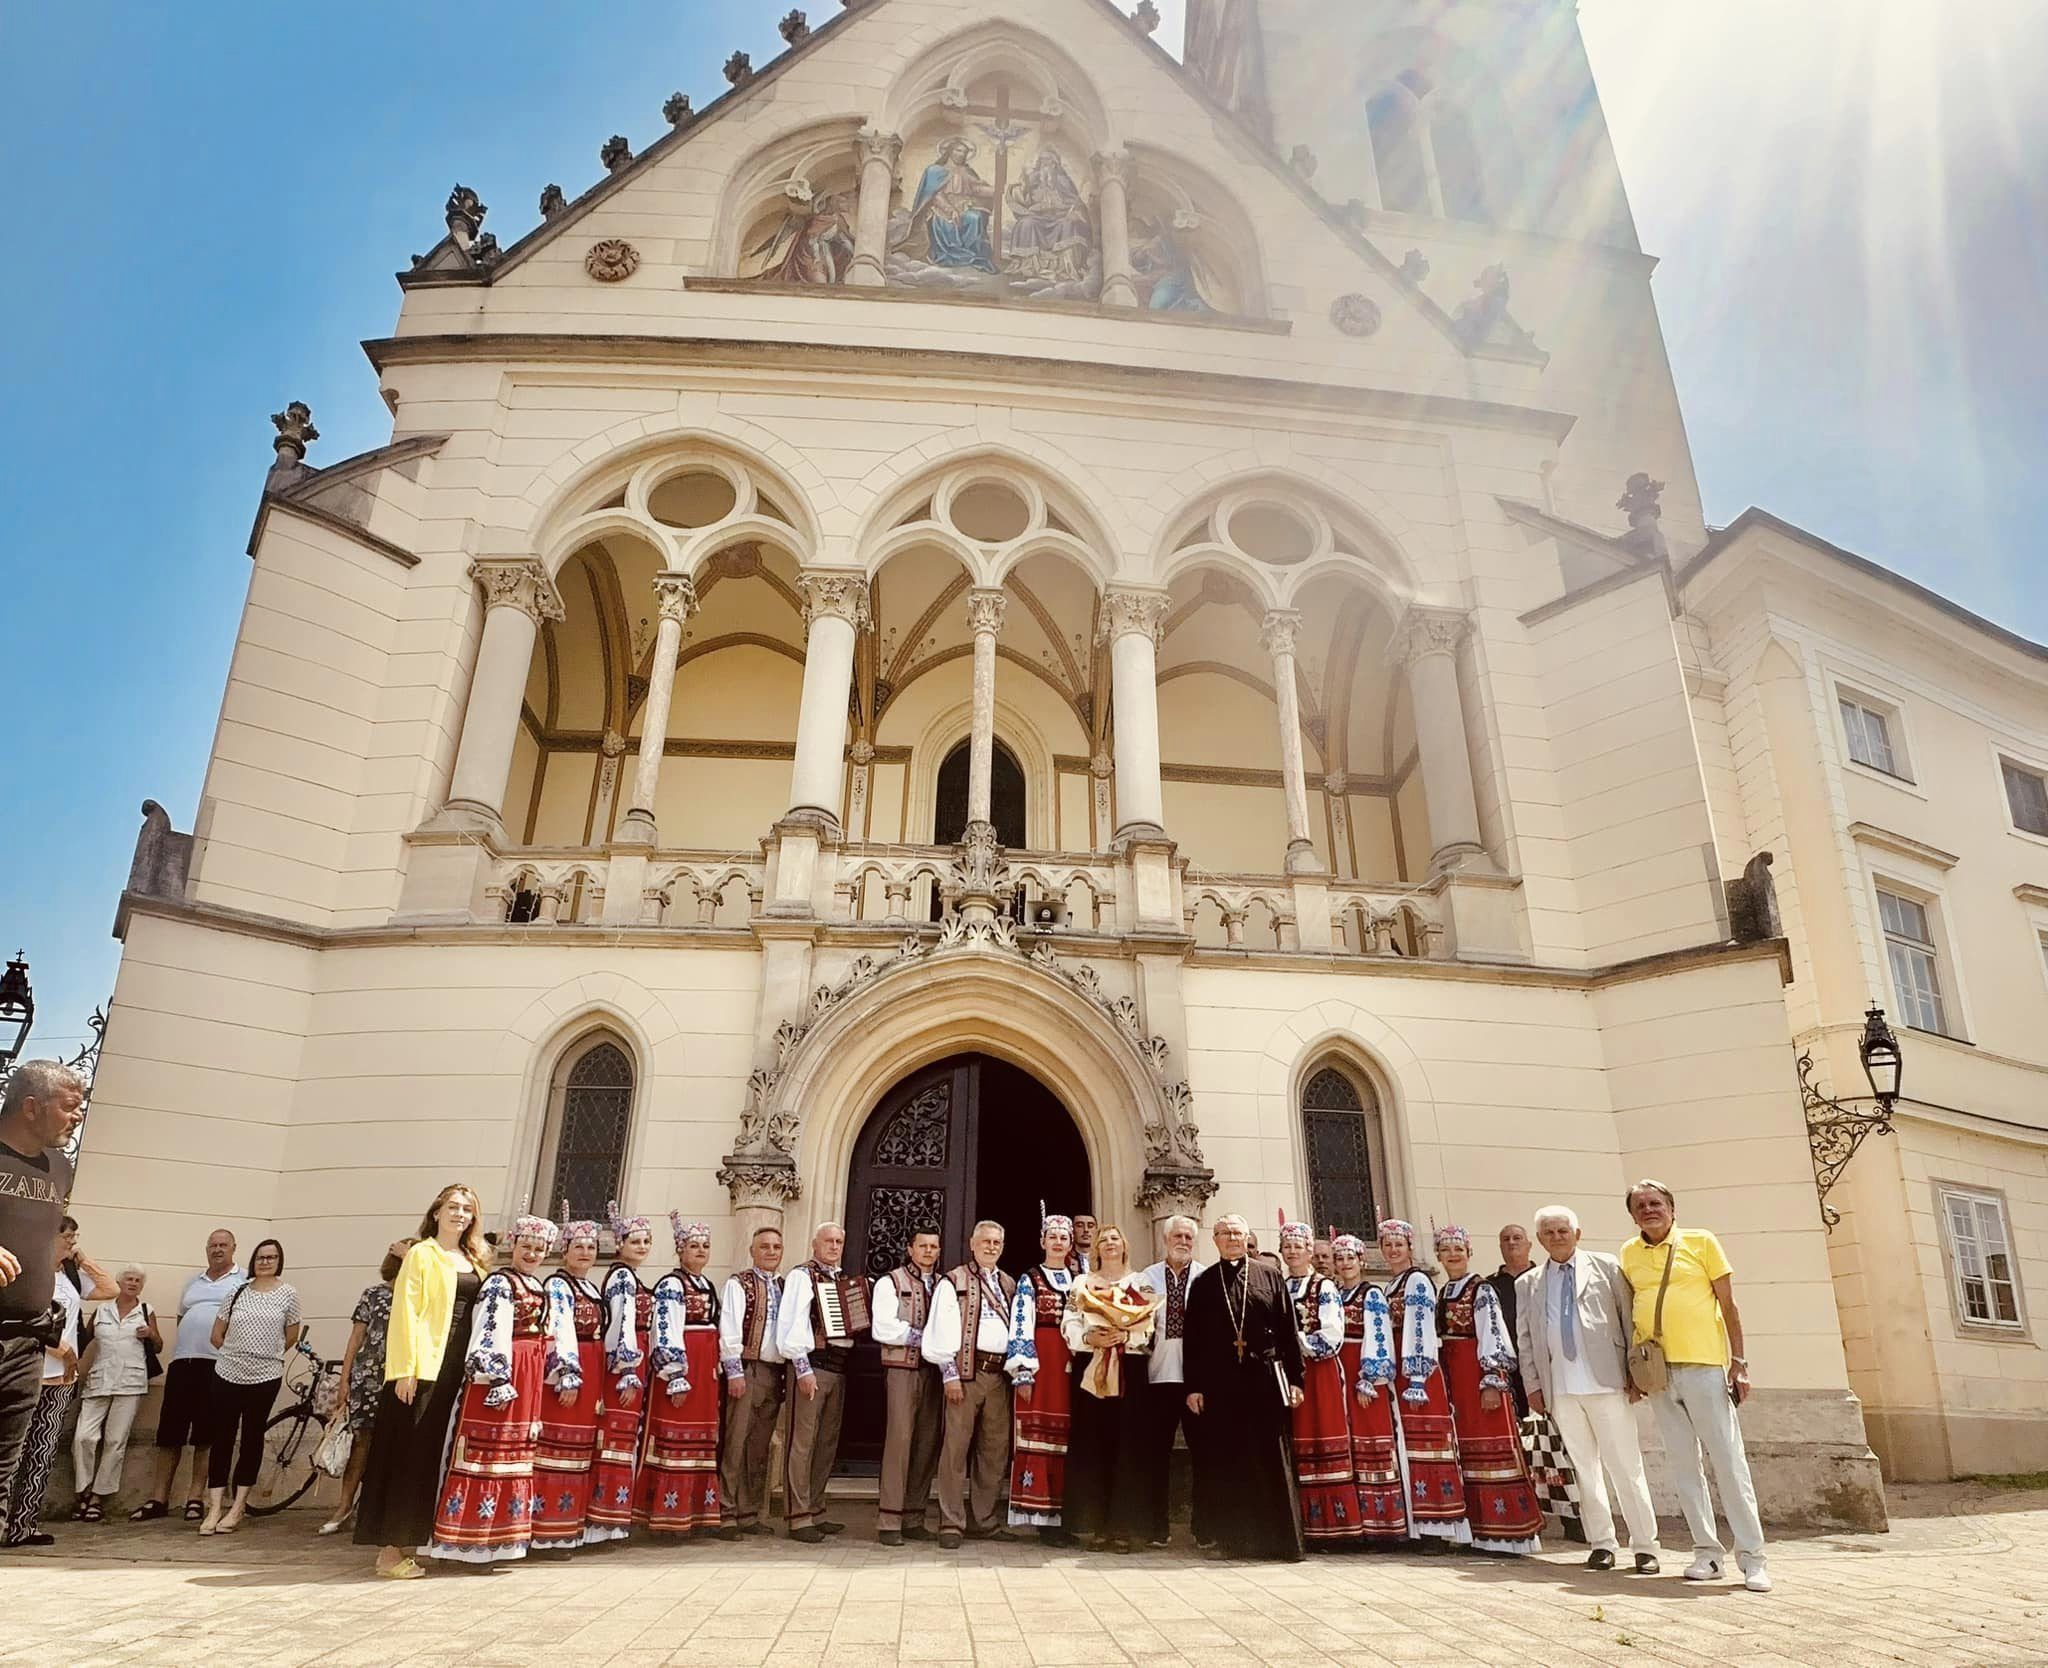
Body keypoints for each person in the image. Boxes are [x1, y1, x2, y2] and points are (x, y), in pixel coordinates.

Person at [1621, 1180, 1770, 1592]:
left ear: (1672, 1208)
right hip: (1658, 1373)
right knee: (1684, 1465)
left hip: (1704, 1365)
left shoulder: (1701, 1242)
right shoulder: (1629, 1253)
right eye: (1640, 1205)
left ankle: (1753, 1558)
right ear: (1633, 1215)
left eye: (1656, 1203)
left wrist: (1738, 1363)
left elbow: (1729, 1306)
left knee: (1727, 1461)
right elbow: (1632, 1311)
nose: (1649, 1210)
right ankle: (1706, 1553)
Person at [356, 1183, 490, 1580]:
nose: (459, 1213)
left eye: (467, 1208)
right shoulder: (422, 1253)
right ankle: (389, 1552)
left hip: (457, 1370)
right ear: (436, 1212)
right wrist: (404, 1369)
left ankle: (415, 1540)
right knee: (406, 1456)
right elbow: (406, 1312)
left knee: (432, 1455)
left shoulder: (476, 1261)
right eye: (452, 1206)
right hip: (423, 1367)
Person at [1517, 1204, 1660, 1574]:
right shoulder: (1529, 1283)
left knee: (1625, 1466)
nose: (1556, 1237)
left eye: (1563, 1231)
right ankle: (1601, 1543)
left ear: (1577, 1234)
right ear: (1539, 1240)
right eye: (1548, 1233)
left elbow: (1628, 1319)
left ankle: (1645, 1546)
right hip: (1561, 1389)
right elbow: (1527, 1340)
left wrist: (1634, 1375)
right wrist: (1533, 1386)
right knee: (1584, 1469)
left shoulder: (1606, 1267)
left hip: (1607, 1382)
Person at [427, 1209, 558, 1565]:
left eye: (539, 1249)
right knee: (486, 1454)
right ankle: (464, 1543)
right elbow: (490, 1330)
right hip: (504, 1375)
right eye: (526, 1247)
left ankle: (500, 1540)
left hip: (527, 1376)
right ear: (513, 1246)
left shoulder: (538, 1286)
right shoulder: (502, 1283)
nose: (532, 1254)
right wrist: (497, 1377)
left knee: (514, 1454)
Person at [1184, 1214, 1305, 1561]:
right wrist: (1193, 1387)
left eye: (1237, 1233)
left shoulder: (1269, 1275)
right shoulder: (1205, 1282)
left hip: (1266, 1378)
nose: (1232, 1239)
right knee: (1228, 1461)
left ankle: (1280, 1542)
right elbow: (1193, 1342)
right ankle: (1234, 1542)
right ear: (1216, 1240)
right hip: (1222, 1383)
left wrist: (1296, 1380)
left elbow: (1287, 1331)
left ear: (1247, 1237)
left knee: (1271, 1458)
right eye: (1224, 1234)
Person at [0, 1062, 85, 1553]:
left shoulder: (61, 1167)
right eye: (69, 1106)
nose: (77, 1116)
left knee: (2, 1470)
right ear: (31, 1107)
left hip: (28, 1342)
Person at [1433, 1226, 1543, 1555]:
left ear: (1469, 1252)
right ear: (1438, 1256)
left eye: (1459, 1249)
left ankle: (1509, 1533)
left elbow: (1493, 1334)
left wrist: (1492, 1379)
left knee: (1492, 1448)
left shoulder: (1481, 1290)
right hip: (1456, 1378)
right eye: (1446, 1250)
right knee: (1468, 1454)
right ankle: (1478, 1530)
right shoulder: (1444, 1292)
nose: (1453, 1255)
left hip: (1477, 1376)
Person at [6, 1208, 104, 1546]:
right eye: (68, 1237)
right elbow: (29, 1320)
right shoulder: (32, 1273)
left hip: (61, 1381)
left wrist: (84, 1259)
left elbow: (110, 1289)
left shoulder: (71, 1277)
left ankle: (24, 1526)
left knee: (42, 1452)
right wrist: (65, 1351)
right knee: (13, 1453)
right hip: (33, 1370)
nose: (73, 1242)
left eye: (75, 1238)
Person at [1060, 1224, 1160, 1552]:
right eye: (1103, 1240)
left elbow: (1149, 1327)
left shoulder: (1140, 1282)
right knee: (1094, 1444)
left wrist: (1126, 1336)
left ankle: (1124, 1527)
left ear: (1124, 1245)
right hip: (1092, 1368)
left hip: (1128, 1368)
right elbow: (1070, 1320)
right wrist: (1089, 1337)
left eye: (1115, 1238)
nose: (1109, 1244)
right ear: (1096, 1248)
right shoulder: (1082, 1283)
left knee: (1126, 1447)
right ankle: (1095, 1524)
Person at [922, 1220, 1016, 1549]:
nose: (991, 1247)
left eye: (997, 1242)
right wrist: (949, 1374)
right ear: (971, 1244)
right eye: (985, 1241)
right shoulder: (954, 1280)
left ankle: (984, 1519)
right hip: (965, 1374)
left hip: (999, 1377)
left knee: (994, 1450)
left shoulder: (1009, 1284)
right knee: (955, 1450)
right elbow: (940, 1328)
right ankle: (951, 1521)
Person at [137, 1226, 241, 1524]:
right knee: (169, 1433)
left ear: (233, 1248)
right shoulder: (193, 1282)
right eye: (213, 1245)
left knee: (205, 1435)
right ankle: (158, 1497)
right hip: (183, 1361)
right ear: (206, 1249)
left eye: (223, 1245)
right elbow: (184, 1317)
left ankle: (195, 1497)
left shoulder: (242, 1280)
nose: (217, 1249)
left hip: (217, 1363)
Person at [1378, 1219, 1471, 1546]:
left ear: (1409, 1248)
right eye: (1387, 1245)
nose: (1392, 1250)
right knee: (1409, 1445)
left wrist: (1416, 1375)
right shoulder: (1391, 1286)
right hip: (1402, 1370)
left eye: (1398, 1244)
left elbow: (1420, 1328)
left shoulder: (1416, 1280)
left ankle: (1438, 1526)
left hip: (1419, 1370)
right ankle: (1417, 1523)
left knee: (1427, 1444)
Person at [201, 1237, 303, 1535]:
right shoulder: (237, 1291)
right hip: (228, 1372)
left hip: (265, 1376)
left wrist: (266, 1355)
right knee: (222, 1436)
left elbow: (291, 1335)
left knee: (252, 1438)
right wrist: (236, 1353)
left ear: (279, 1261)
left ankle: (238, 1506)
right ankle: (215, 1505)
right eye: (261, 1257)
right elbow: (217, 1333)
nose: (265, 1262)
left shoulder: (288, 1294)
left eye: (271, 1257)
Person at [1278, 1220, 1366, 1546]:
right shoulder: (1280, 1285)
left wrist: (1297, 1342)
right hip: (1290, 1372)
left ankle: (1338, 1526)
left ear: (1309, 1251)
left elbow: (1332, 1334)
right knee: (1298, 1439)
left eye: (1298, 1246)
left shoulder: (1324, 1287)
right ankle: (1308, 1525)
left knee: (1323, 1436)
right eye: (1287, 1247)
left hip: (1319, 1371)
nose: (1292, 1252)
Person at [778, 1221, 863, 1542]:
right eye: (828, 1241)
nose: (834, 1246)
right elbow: (792, 1322)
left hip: (838, 1368)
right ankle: (798, 1516)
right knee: (802, 1442)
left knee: (826, 1443)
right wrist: (802, 1368)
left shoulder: (841, 1279)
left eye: (839, 1241)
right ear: (815, 1244)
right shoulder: (803, 1276)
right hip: (812, 1367)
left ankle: (815, 1507)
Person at [319, 1240, 410, 1535]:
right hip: (368, 1377)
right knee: (361, 1443)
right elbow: (356, 1338)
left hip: (402, 1377)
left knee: (393, 1446)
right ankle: (344, 1506)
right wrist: (344, 1380)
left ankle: (374, 1508)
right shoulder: (373, 1295)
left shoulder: (417, 1296)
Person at [640, 1216, 723, 1537]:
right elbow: (664, 1330)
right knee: (676, 1438)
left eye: (705, 1246)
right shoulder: (672, 1285)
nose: (701, 1251)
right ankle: (666, 1518)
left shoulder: (706, 1285)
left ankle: (693, 1513)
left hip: (705, 1373)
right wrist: (674, 1373)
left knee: (701, 1439)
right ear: (680, 1250)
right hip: (685, 1369)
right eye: (693, 1246)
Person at [532, 1208, 606, 1554]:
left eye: (591, 1247)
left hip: (590, 1367)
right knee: (557, 1448)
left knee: (579, 1451)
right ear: (565, 1250)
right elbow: (560, 1330)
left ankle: (568, 1526)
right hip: (571, 1369)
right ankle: (547, 1530)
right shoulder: (558, 1285)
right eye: (579, 1246)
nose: (586, 1253)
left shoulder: (589, 1286)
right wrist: (566, 1374)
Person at [1007, 1210, 1079, 1540]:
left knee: (1069, 1438)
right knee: (1039, 1435)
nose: (1058, 1242)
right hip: (1042, 1364)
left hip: (1073, 1366)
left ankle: (1068, 1514)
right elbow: (1021, 1325)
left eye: (1064, 1238)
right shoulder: (1030, 1279)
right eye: (1053, 1237)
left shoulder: (1081, 1279)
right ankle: (1041, 1514)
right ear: (1042, 1241)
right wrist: (1023, 1371)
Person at [1332, 1234, 1408, 1541]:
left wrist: (1370, 1377)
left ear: (1362, 1260)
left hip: (1363, 1372)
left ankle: (1385, 1524)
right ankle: (1353, 1521)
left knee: (1372, 1438)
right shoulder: (1334, 1293)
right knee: (1348, 1443)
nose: (1346, 1263)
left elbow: (1379, 1336)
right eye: (1340, 1258)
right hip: (1339, 1370)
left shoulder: (1371, 1295)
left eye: (1351, 1258)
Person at [589, 1203, 657, 1546]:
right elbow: (621, 1323)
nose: (642, 1247)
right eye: (635, 1241)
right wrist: (627, 1368)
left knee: (625, 1439)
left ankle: (614, 1519)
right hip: (623, 1366)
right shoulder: (621, 1277)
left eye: (646, 1241)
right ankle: (604, 1522)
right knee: (615, 1438)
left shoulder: (631, 1277)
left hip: (637, 1358)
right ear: (620, 1244)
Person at [71, 1264, 161, 1521]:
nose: (132, 1283)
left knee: (115, 1441)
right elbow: (83, 1340)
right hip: (99, 1380)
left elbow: (158, 1345)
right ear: (120, 1283)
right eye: (129, 1279)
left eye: (137, 1281)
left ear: (141, 1286)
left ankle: (97, 1497)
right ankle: (83, 1491)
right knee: (83, 1437)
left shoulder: (146, 1311)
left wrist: (150, 1334)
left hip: (130, 1382)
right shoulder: (102, 1310)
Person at [1137, 1214, 1204, 1547]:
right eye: (1177, 1236)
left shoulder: (1206, 1278)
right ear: (1165, 1239)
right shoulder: (1145, 1278)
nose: (1183, 1242)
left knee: (1204, 1452)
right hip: (1158, 1376)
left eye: (1189, 1237)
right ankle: (1154, 1527)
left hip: (1196, 1381)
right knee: (1154, 1454)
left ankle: (1205, 1529)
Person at [871, 1226, 942, 1545]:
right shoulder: (891, 1282)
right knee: (899, 1441)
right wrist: (925, 1337)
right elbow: (884, 1327)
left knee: (926, 1443)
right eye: (923, 1246)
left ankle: (914, 1516)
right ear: (910, 1249)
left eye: (934, 1247)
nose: (929, 1251)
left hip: (934, 1373)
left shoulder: (943, 1284)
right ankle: (889, 1520)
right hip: (902, 1370)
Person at [717, 1225, 785, 1538]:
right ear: (753, 1250)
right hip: (747, 1369)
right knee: (736, 1441)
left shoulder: (784, 1285)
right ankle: (725, 1512)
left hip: (774, 1372)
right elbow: (729, 1326)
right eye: (765, 1246)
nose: (771, 1252)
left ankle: (748, 1511)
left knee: (758, 1445)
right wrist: (734, 1371)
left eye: (776, 1247)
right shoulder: (739, 1283)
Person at [1489, 1224, 1537, 1417]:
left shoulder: (1544, 1278)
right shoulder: (1489, 1285)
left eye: (1517, 1238)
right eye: (1506, 1239)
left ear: (1529, 1245)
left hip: (1542, 1365)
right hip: (1509, 1369)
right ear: (1500, 1247)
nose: (1511, 1242)